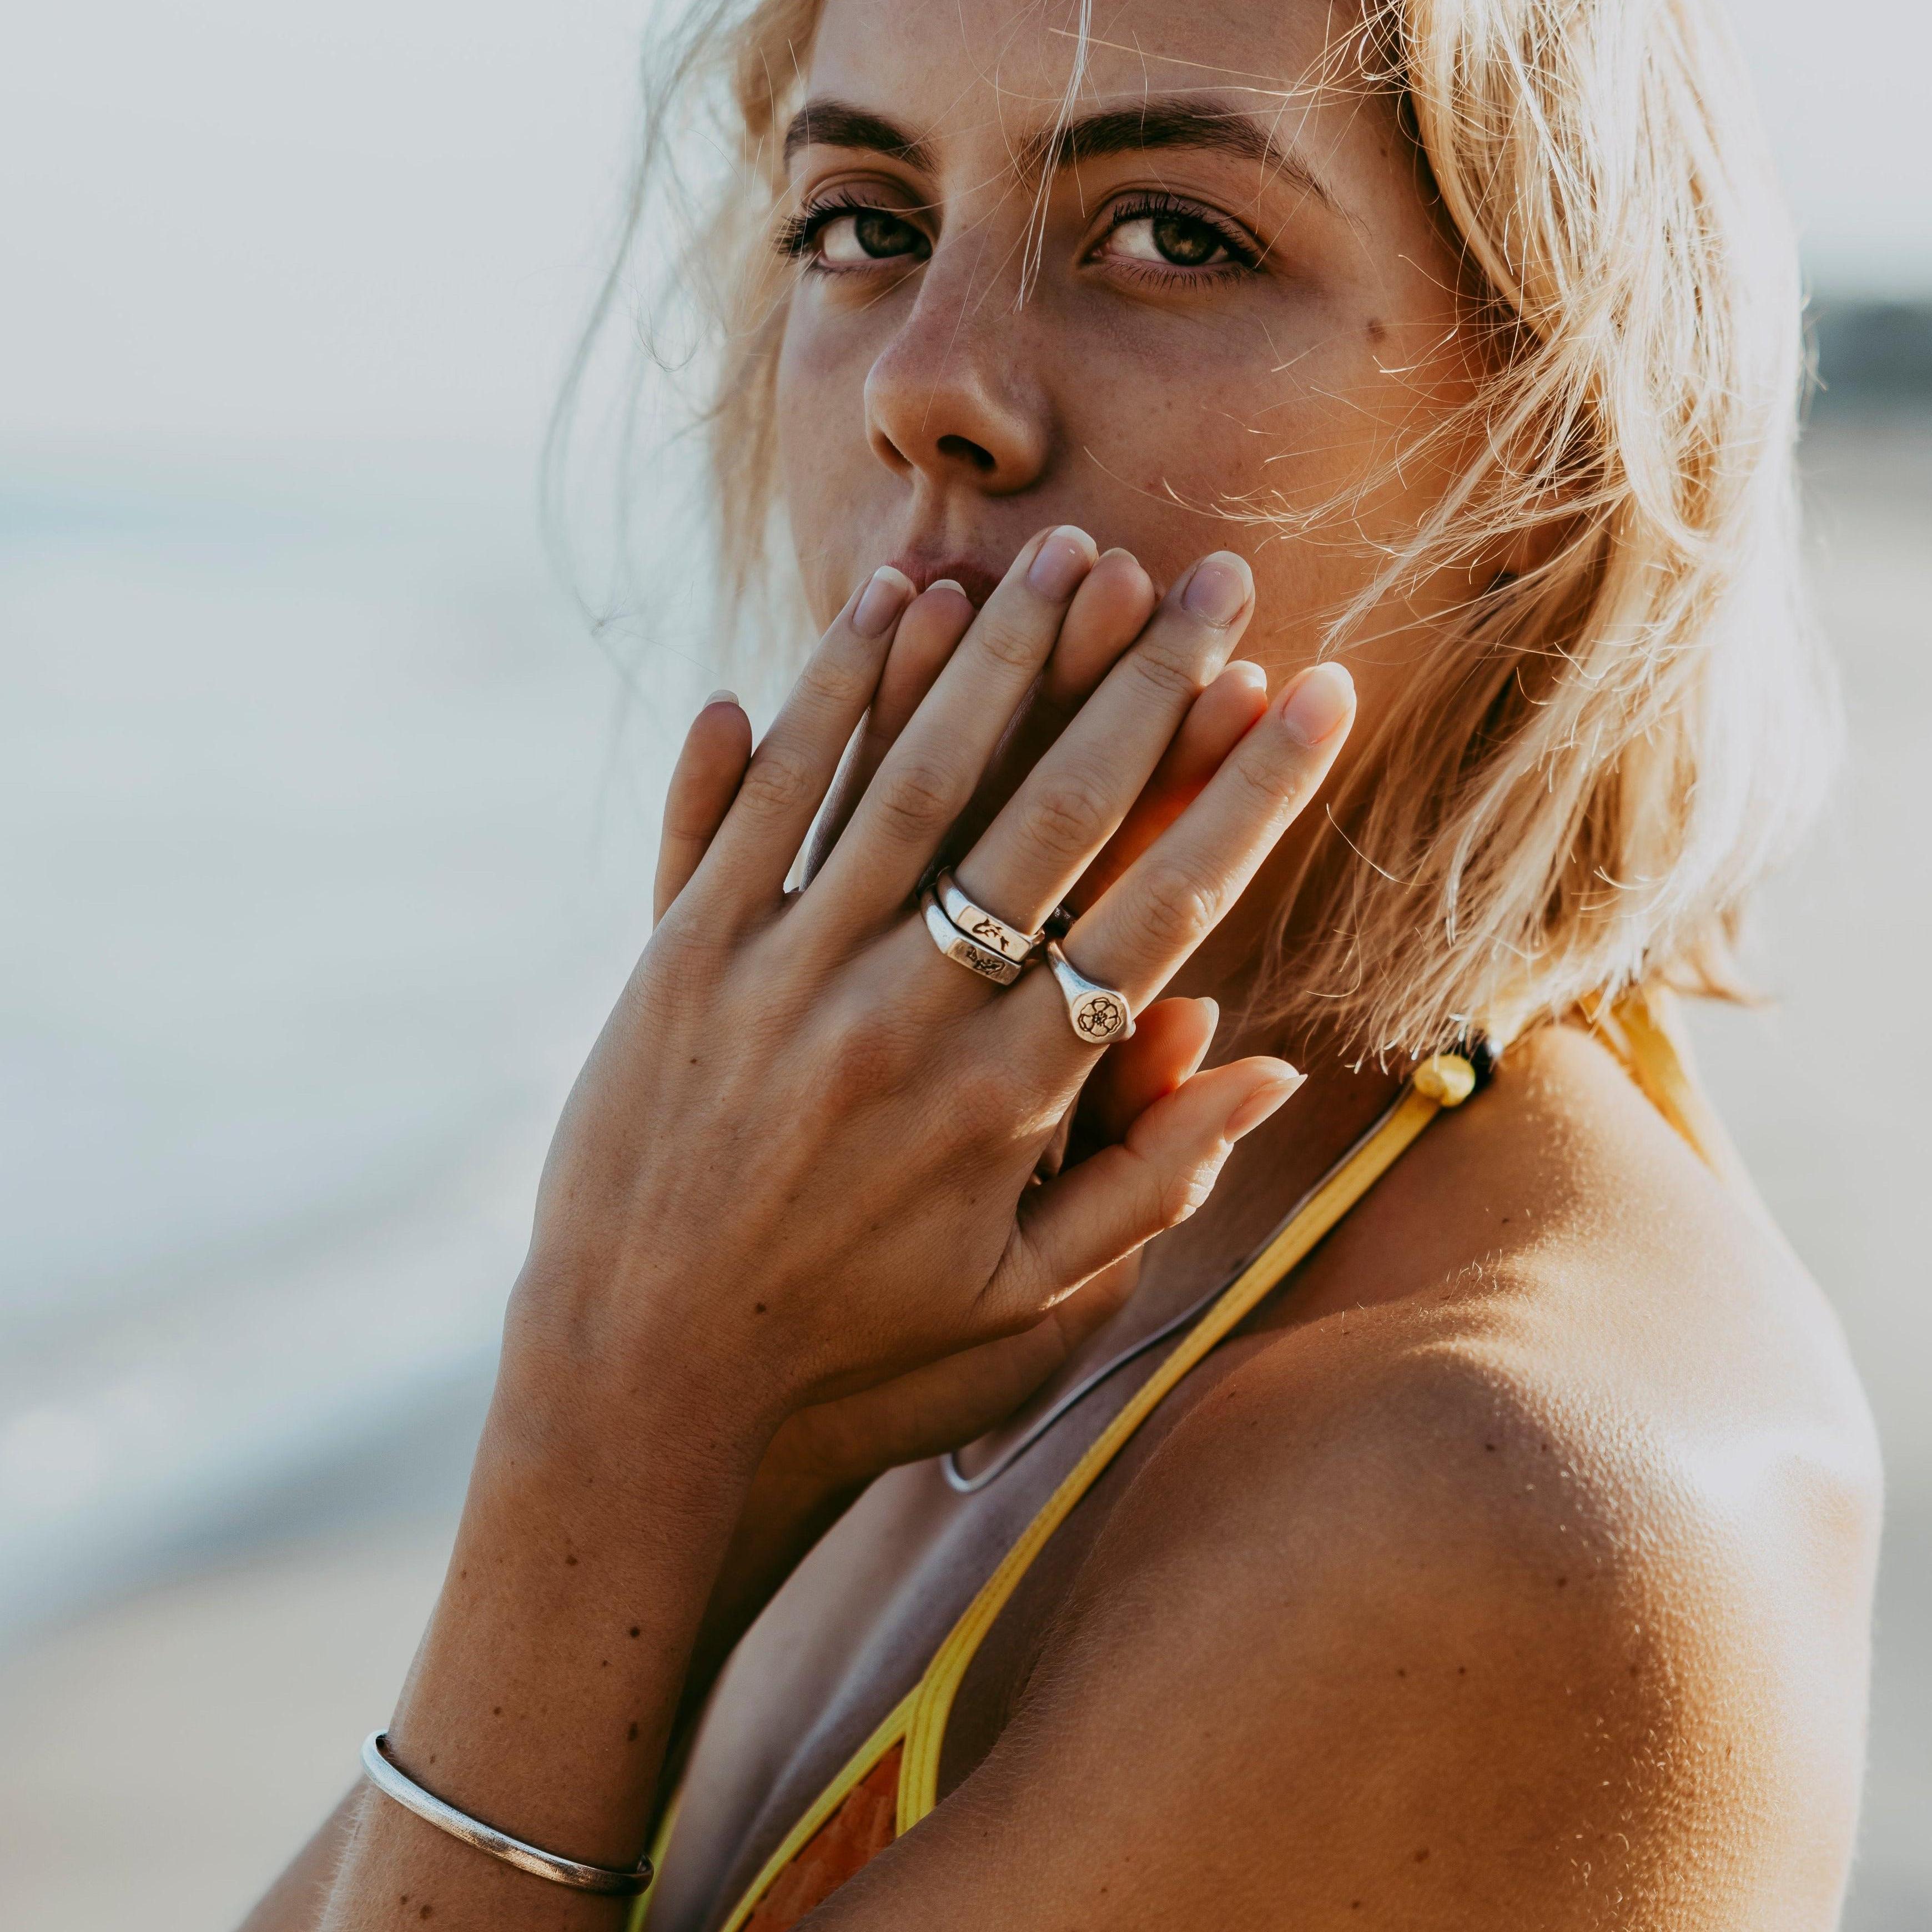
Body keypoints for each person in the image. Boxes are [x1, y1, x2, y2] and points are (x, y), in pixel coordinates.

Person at [245, 1, 1882, 1925]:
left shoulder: (1496, 1494)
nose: (925, 385)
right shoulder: (911, 1253)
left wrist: (594, 1419)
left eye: (1175, 236)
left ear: (1554, 443)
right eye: (861, 224)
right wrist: (705, 1454)